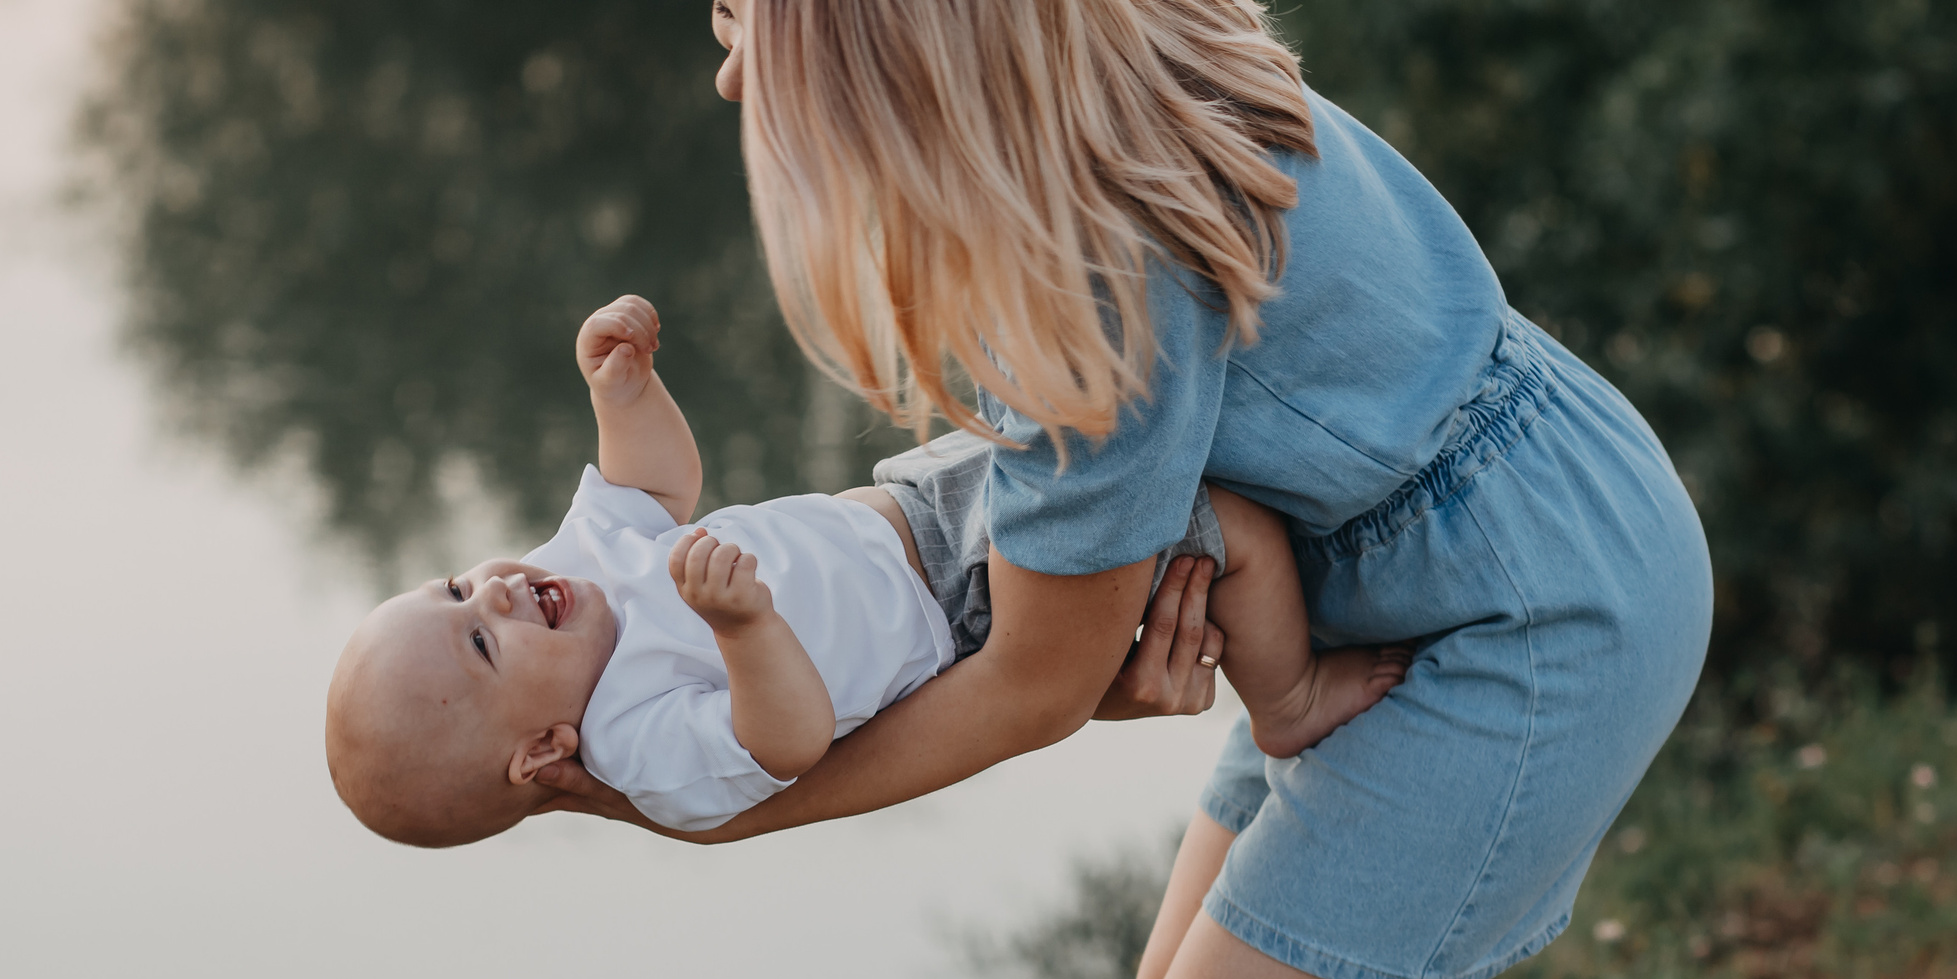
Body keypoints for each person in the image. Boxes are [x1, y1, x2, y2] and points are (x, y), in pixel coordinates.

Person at [529, 0, 1715, 979]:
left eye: (739, 27)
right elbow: (1064, 637)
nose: (727, 77)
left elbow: (1033, 682)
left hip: (1528, 611)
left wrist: (713, 813)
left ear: (870, 47)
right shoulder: (1098, 52)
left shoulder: (1078, 284)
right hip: (1477, 522)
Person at [325, 293, 1406, 845]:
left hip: (912, 500)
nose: (497, 591)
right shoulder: (638, 743)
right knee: (1230, 532)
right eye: (478, 638)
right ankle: (1290, 699)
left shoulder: (577, 567)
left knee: (1106, 418)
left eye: (456, 584)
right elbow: (785, 742)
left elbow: (653, 489)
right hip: (961, 611)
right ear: (545, 750)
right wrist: (746, 631)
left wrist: (623, 394)